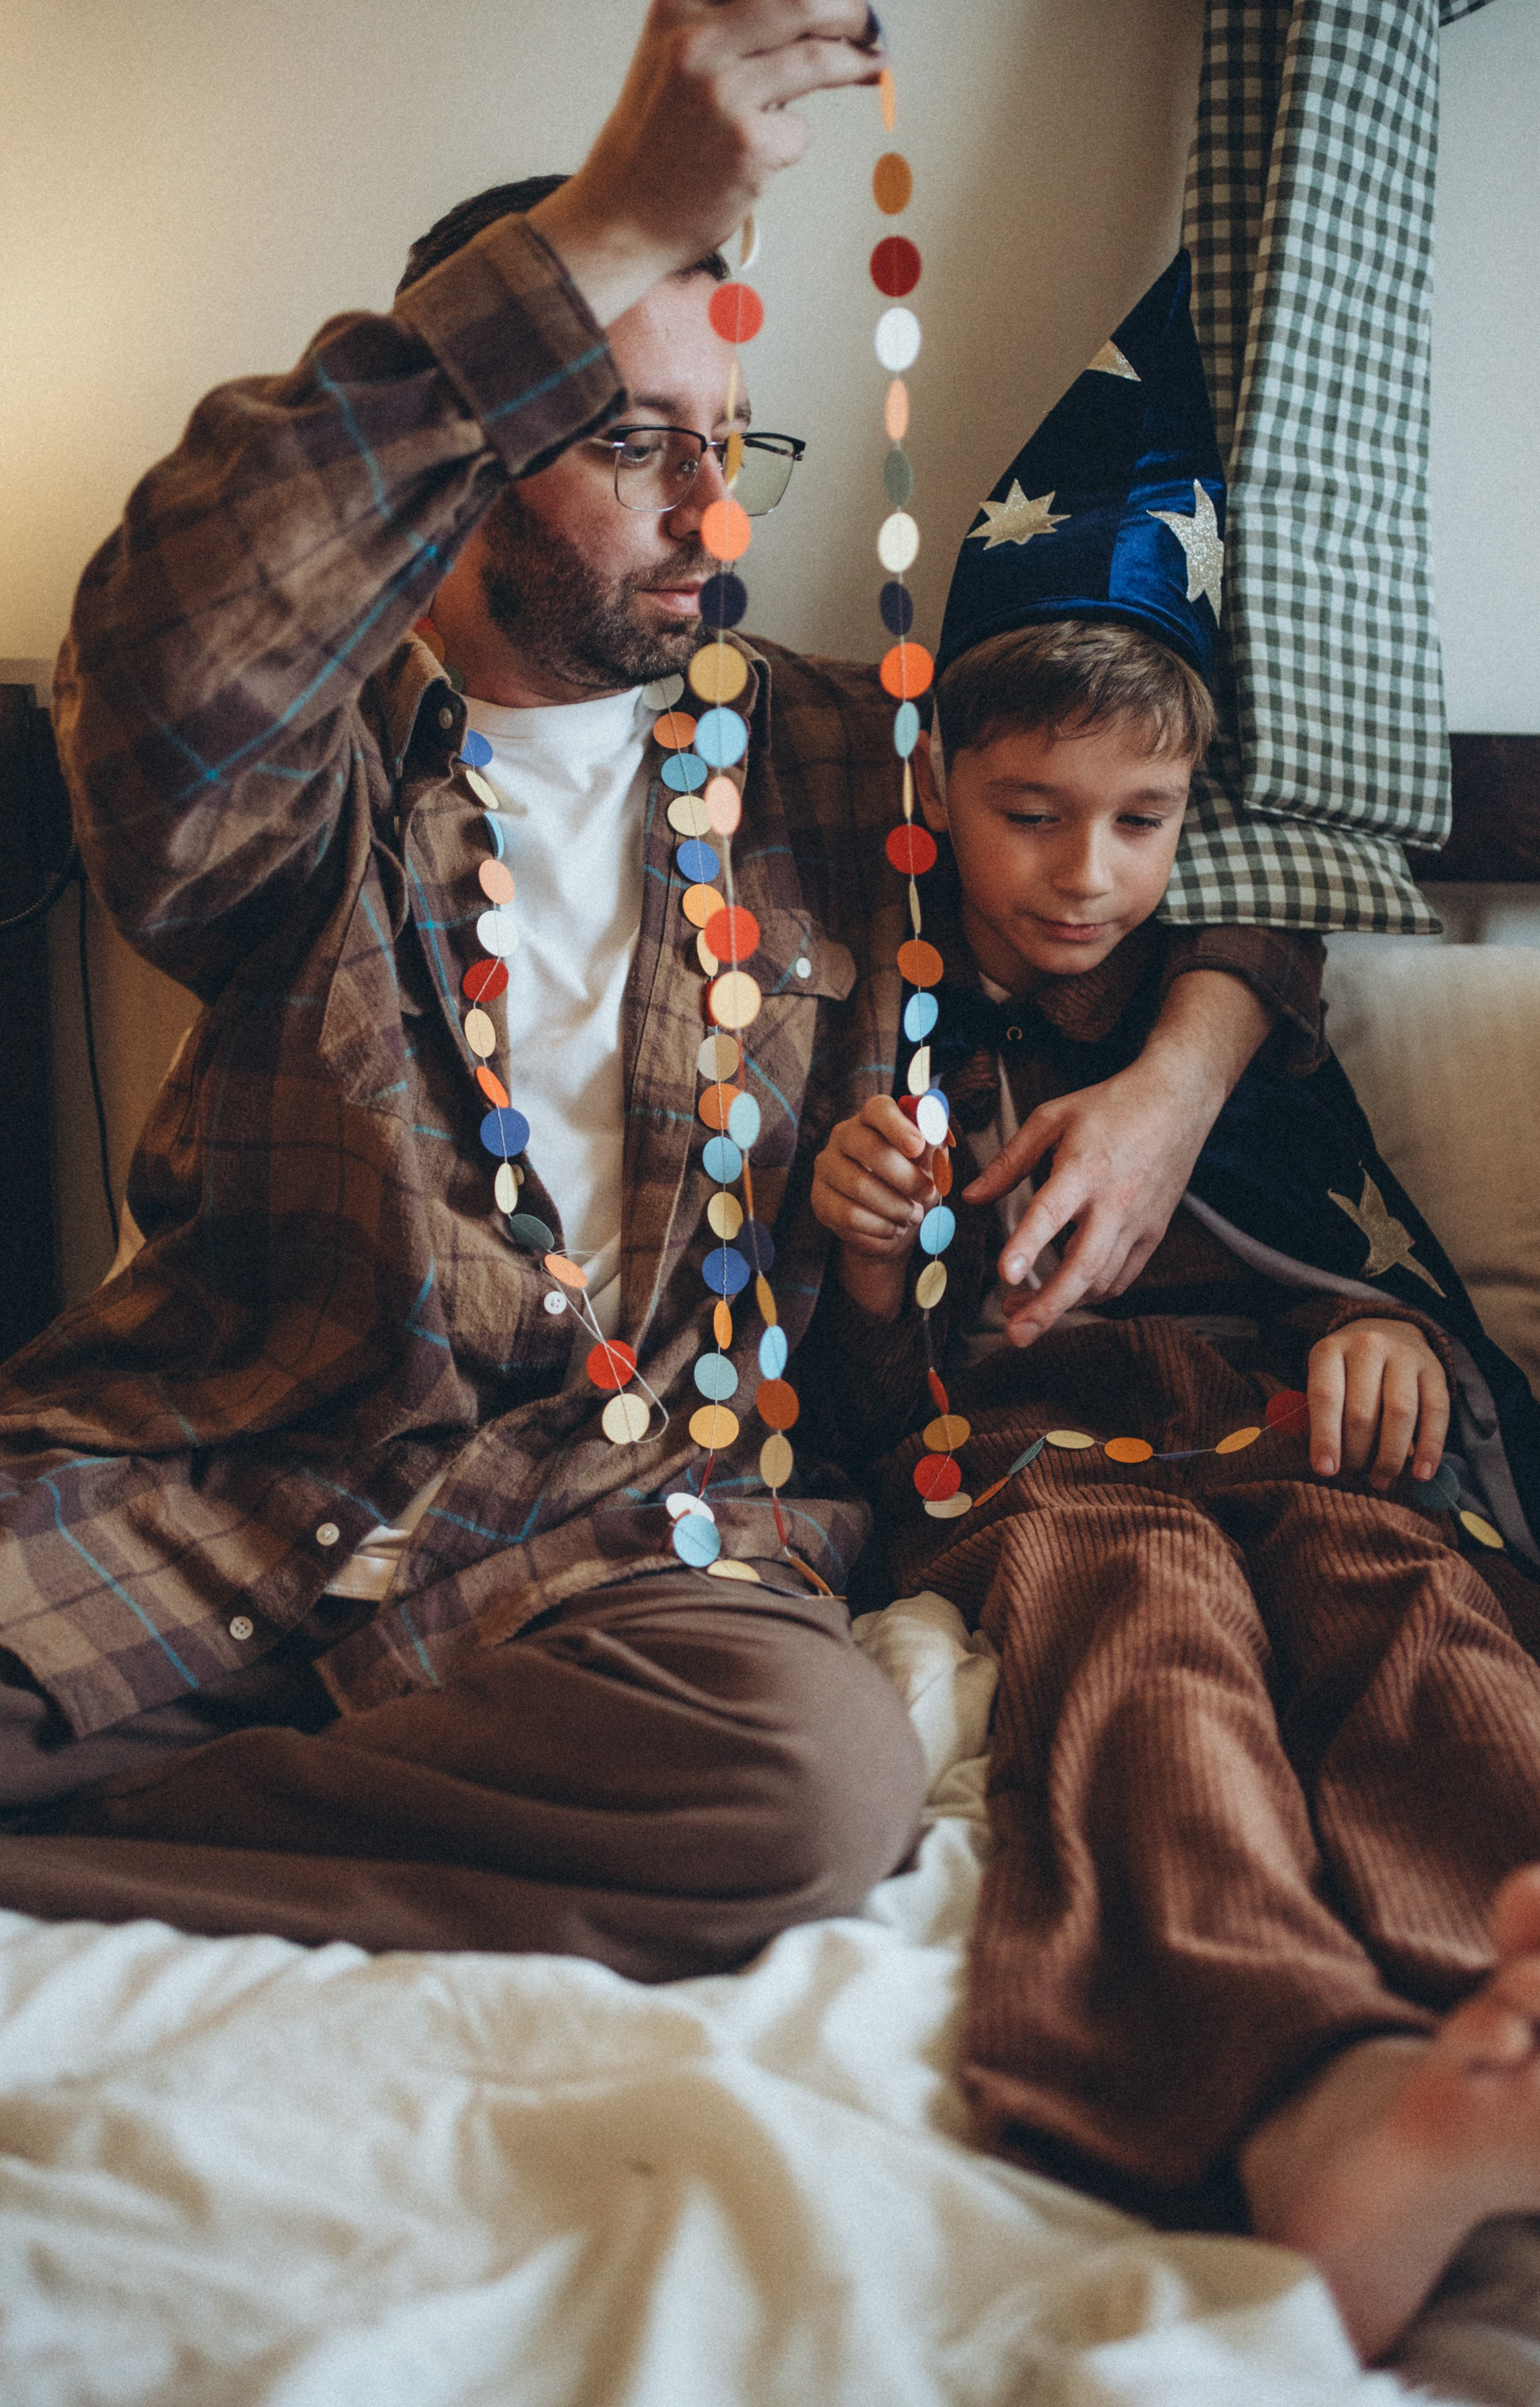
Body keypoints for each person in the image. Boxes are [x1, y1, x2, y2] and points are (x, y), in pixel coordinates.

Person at [0, 2, 1323, 1970]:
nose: (716, 517)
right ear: (455, 465)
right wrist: (608, 224)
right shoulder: (302, 769)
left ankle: (112, 1843)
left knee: (807, 1788)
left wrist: (1175, 1085)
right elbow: (178, 638)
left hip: (623, 1525)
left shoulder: (844, 768)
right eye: (636, 445)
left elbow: (1232, 849)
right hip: (227, 1469)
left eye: (731, 448)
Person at [805, 252, 1540, 2359]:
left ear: (1200, 821)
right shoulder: (886, 1023)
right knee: (1150, 1646)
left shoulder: (1233, 1030)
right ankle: (1303, 2081)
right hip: (1051, 1471)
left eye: (1141, 824)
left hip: (1299, 1445)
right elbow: (856, 1409)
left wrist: (1383, 1343)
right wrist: (872, 1258)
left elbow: (1374, 1267)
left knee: (1414, 1608)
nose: (1086, 874)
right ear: (939, 785)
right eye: (1031, 816)